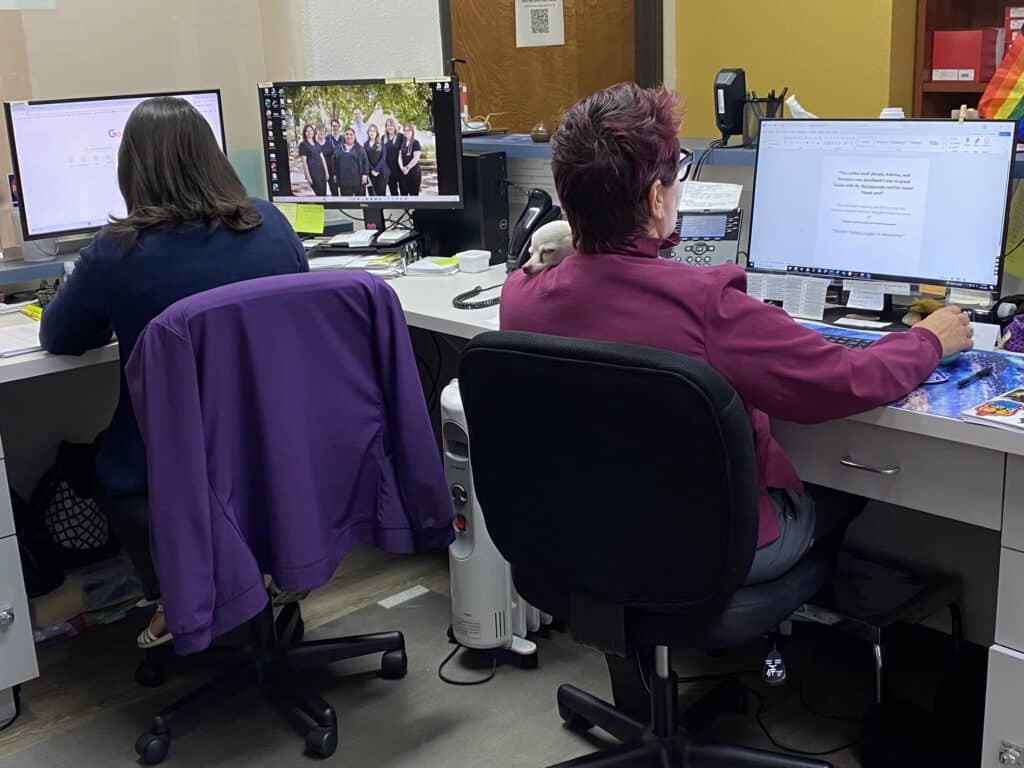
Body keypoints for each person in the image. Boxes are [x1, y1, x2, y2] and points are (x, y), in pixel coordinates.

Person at [500, 83, 974, 586]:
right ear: (657, 198)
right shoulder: (708, 307)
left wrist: (598, 235)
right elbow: (847, 378)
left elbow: (614, 274)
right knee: (843, 494)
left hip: (581, 536)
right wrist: (930, 339)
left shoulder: (520, 297)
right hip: (710, 550)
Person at [38, 96, 309, 648]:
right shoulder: (274, 224)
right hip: (275, 456)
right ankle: (257, 577)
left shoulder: (116, 253)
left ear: (130, 170)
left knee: (97, 456)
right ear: (213, 157)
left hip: (169, 473)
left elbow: (60, 337)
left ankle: (187, 594)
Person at [333, 127, 370, 196]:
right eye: (347, 134)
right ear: (344, 136)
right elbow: (334, 162)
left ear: (354, 136)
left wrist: (365, 174)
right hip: (344, 181)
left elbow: (366, 162)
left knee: (360, 202)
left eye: (351, 134)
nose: (349, 136)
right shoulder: (338, 148)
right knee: (347, 203)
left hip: (358, 181)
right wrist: (334, 174)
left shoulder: (360, 149)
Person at [297, 123, 329, 196]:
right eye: (307, 131)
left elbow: (322, 158)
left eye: (311, 130)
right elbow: (304, 162)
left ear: (313, 132)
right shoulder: (303, 145)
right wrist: (308, 176)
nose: (309, 133)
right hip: (313, 173)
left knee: (324, 193)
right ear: (304, 133)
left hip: (321, 172)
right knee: (319, 193)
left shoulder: (316, 143)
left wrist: (326, 172)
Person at [397, 123, 422, 196]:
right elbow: (399, 157)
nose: (406, 132)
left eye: (408, 130)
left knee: (413, 194)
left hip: (413, 172)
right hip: (403, 172)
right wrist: (402, 167)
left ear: (412, 131)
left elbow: (416, 158)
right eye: (405, 130)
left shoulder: (415, 143)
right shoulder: (403, 143)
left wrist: (407, 168)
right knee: (403, 193)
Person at [364, 123, 389, 196]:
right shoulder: (365, 144)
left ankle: (381, 207)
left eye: (374, 131)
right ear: (368, 132)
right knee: (372, 194)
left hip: (381, 172)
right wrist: (372, 170)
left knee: (381, 194)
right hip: (370, 173)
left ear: (377, 133)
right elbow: (366, 159)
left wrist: (376, 170)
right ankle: (373, 208)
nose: (372, 133)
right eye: (370, 131)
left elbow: (383, 158)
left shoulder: (381, 143)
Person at [383, 117, 405, 196]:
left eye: (391, 125)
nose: (389, 127)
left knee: (404, 190)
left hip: (400, 169)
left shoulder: (401, 136)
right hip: (389, 170)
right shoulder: (383, 138)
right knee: (393, 191)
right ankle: (397, 207)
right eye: (387, 125)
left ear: (395, 126)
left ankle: (406, 207)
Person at [324, 119, 344, 195]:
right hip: (331, 169)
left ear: (339, 127)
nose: (335, 128)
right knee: (334, 191)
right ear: (331, 127)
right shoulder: (327, 139)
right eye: (333, 126)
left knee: (344, 191)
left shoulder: (343, 138)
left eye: (336, 126)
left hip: (342, 169)